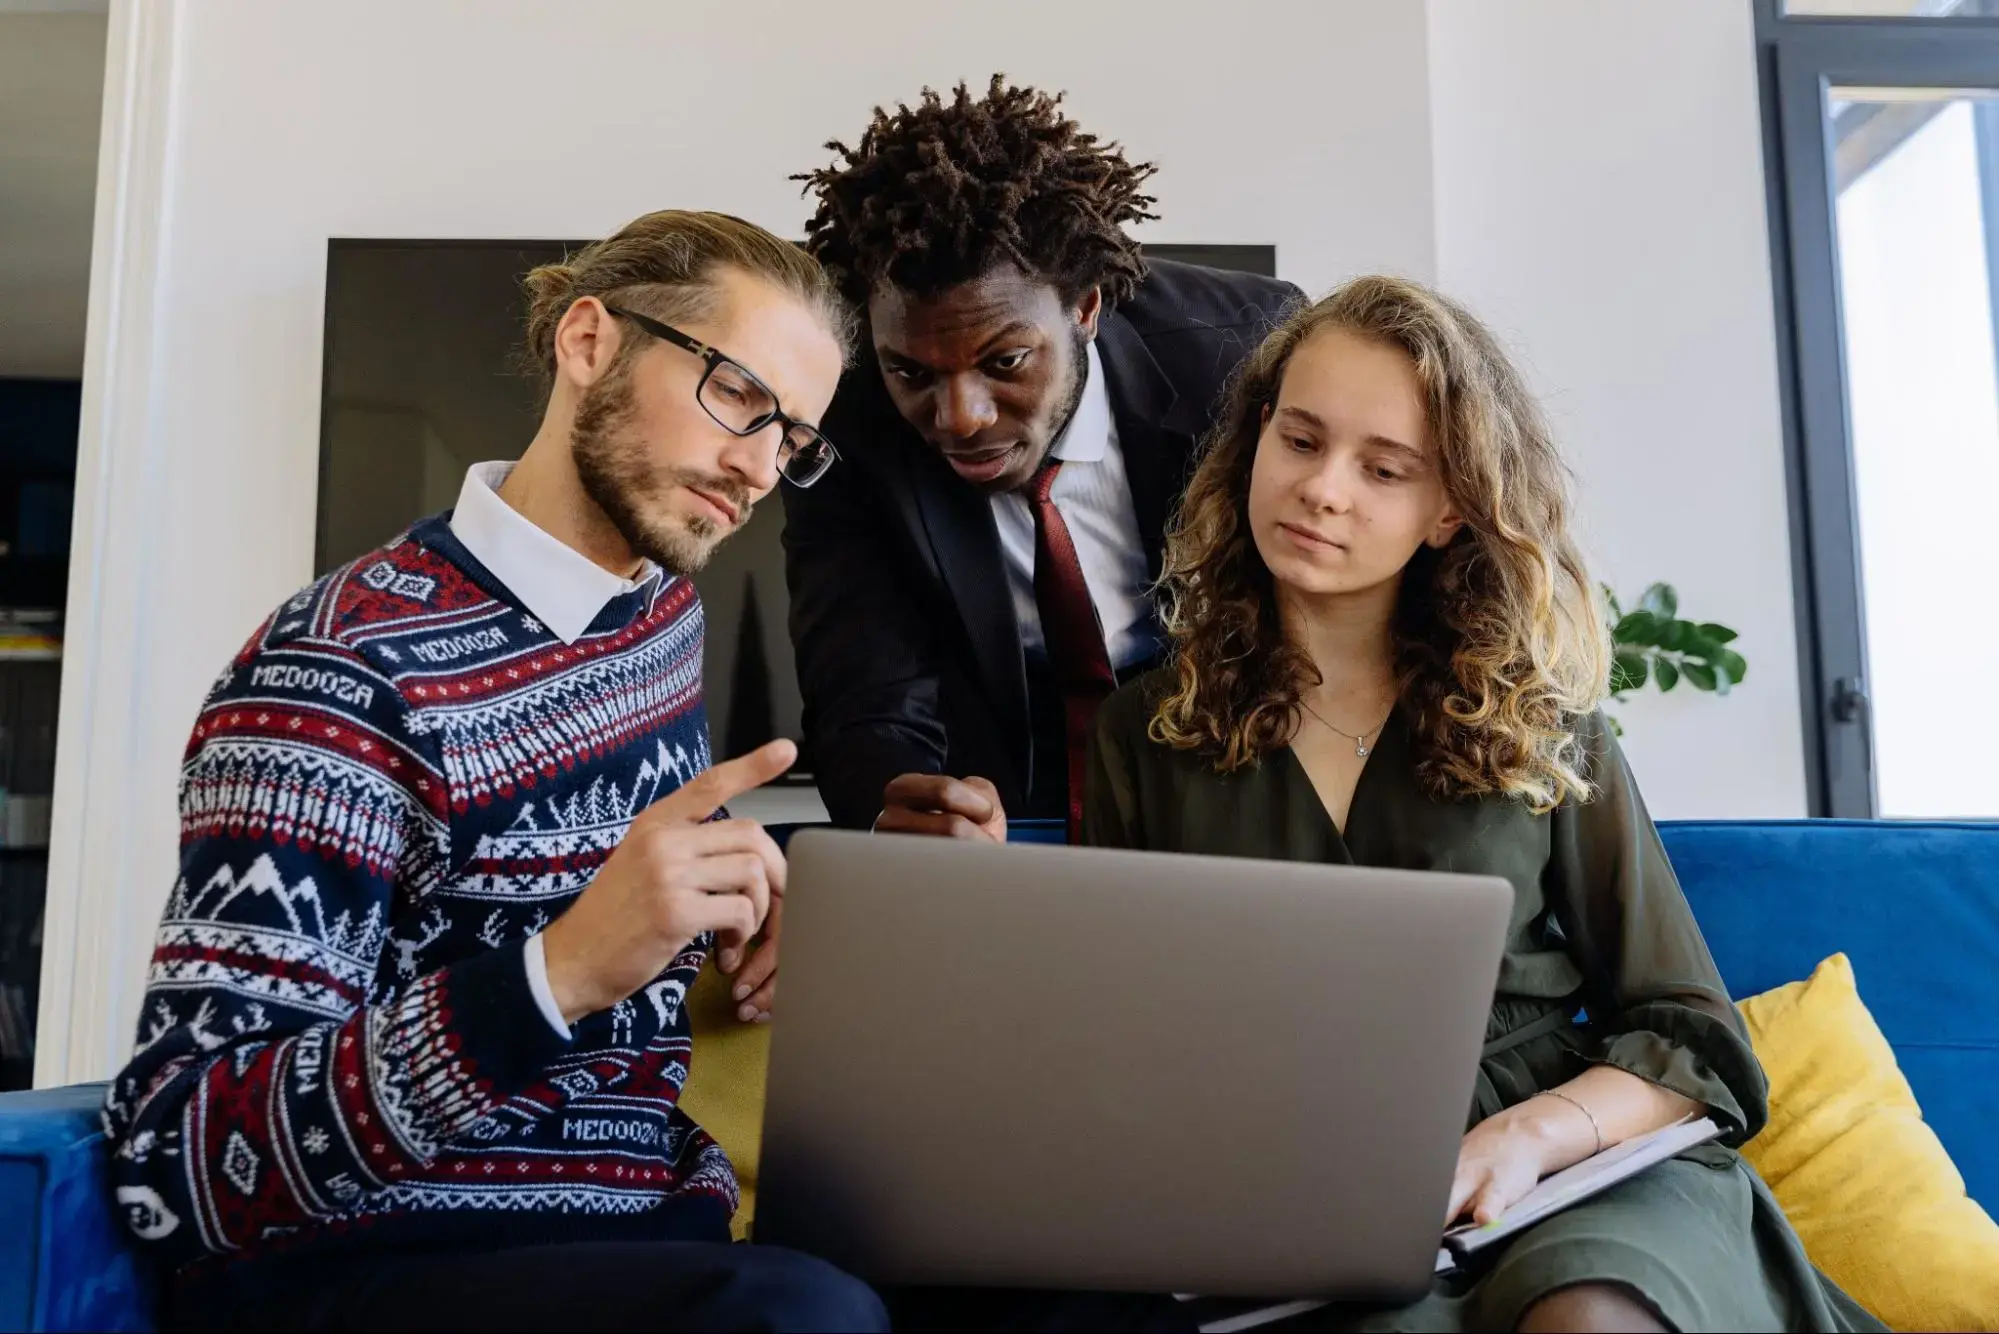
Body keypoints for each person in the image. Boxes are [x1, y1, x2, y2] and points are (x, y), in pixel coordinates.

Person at [101, 210, 888, 1333]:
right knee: (802, 1316)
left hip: (639, 1235)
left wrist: (731, 897)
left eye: (793, 437)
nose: (760, 466)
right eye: (739, 397)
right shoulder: (334, 671)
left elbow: (573, 887)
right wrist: (559, 970)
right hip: (375, 1262)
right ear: (587, 342)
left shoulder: (657, 619)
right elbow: (180, 1160)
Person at [1076, 277, 1885, 1331]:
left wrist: (1526, 1139)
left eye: (1384, 468)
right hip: (1314, 1189)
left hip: (1578, 1168)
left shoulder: (1541, 725)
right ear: (1254, 443)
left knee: (1590, 1316)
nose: (1323, 489)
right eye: (1300, 439)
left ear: (1449, 505)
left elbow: (1690, 1035)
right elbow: (1121, 1045)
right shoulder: (1148, 731)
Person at [784, 76, 1301, 843]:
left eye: (1005, 361)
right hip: (1002, 797)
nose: (959, 418)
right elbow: (867, 696)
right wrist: (905, 814)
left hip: (1233, 777)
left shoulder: (1243, 351)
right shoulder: (840, 413)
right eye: (912, 373)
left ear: (1085, 307)